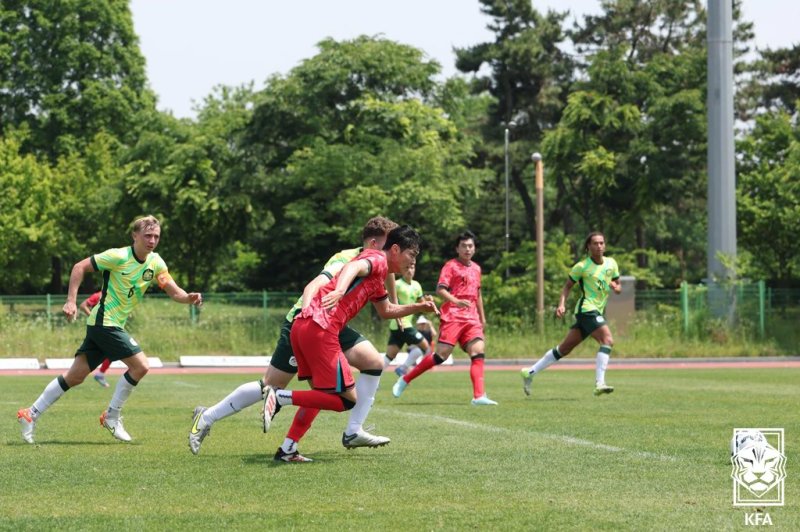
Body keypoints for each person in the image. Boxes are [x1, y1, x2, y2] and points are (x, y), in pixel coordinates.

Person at [189, 217, 401, 462]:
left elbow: (388, 279)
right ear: (375, 243)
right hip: (309, 321)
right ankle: (207, 417)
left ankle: (350, 431)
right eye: (390, 243)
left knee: (372, 363)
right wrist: (308, 317)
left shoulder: (378, 260)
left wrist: (395, 308)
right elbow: (315, 284)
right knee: (272, 385)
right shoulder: (345, 258)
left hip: (334, 325)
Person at [17, 216, 202, 444]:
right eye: (147, 236)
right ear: (135, 236)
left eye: (156, 236)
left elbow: (174, 291)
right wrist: (71, 301)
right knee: (141, 365)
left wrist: (188, 298)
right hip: (105, 322)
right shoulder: (118, 256)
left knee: (74, 376)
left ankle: (30, 414)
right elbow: (79, 267)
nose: (152, 240)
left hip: (104, 324)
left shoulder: (156, 263)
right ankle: (112, 416)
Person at [262, 225, 438, 452]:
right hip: (321, 328)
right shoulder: (378, 258)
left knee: (323, 394)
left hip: (306, 326)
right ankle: (279, 397)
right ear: (395, 249)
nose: (412, 262)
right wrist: (339, 291)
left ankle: (287, 449)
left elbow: (386, 311)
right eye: (411, 255)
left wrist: (418, 307)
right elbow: (354, 266)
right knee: (346, 400)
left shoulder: (379, 274)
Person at [392, 230, 497, 405]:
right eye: (463, 246)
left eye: (470, 246)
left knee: (478, 352)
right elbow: (441, 290)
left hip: (472, 319)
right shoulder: (450, 266)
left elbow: (478, 294)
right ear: (457, 248)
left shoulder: (477, 268)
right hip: (453, 316)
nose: (467, 249)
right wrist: (456, 301)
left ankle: (479, 396)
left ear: (475, 248)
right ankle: (405, 379)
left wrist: (482, 317)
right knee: (441, 356)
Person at [521, 231, 621, 396]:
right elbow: (567, 286)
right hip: (587, 309)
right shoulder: (582, 266)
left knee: (564, 349)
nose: (599, 246)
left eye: (601, 243)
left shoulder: (611, 263)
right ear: (588, 247)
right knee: (608, 340)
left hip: (594, 311)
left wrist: (616, 288)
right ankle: (600, 383)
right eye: (595, 243)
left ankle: (529, 372)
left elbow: (618, 285)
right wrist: (561, 304)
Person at [383, 263, 433, 377]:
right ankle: (403, 368)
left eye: (412, 267)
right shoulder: (397, 284)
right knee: (425, 347)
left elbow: (422, 306)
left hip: (400, 326)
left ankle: (372, 379)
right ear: (401, 270)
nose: (409, 270)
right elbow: (387, 300)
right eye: (406, 267)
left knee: (389, 356)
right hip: (402, 324)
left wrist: (428, 301)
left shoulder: (417, 285)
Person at [79, 291, 112, 387]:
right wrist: (93, 316)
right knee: (111, 352)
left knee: (110, 353)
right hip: (98, 329)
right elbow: (83, 305)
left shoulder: (114, 294)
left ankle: (99, 374)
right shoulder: (98, 295)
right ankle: (75, 376)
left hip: (107, 328)